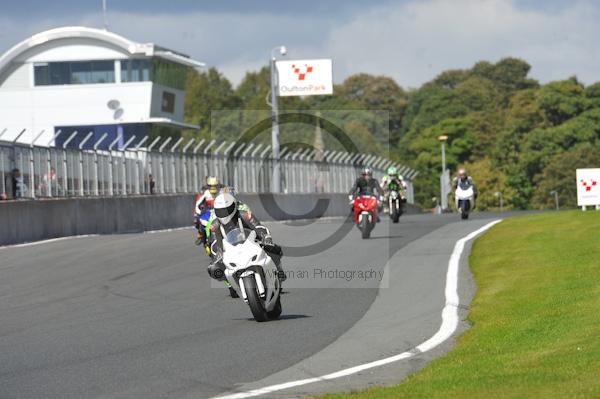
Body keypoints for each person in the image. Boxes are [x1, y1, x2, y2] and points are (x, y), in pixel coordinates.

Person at [207, 192, 286, 282]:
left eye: (226, 210)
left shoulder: (244, 215)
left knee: (273, 248)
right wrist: (217, 253)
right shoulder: (215, 225)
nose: (223, 214)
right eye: (220, 211)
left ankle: (279, 270)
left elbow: (258, 227)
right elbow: (214, 242)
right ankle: (229, 284)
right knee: (213, 269)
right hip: (230, 250)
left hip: (251, 243)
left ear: (233, 207)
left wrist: (265, 237)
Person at [193, 176, 223, 247]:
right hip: (208, 211)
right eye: (211, 186)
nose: (213, 188)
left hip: (220, 210)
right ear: (208, 186)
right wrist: (198, 212)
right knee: (198, 220)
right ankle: (200, 235)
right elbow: (198, 204)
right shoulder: (205, 193)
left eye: (214, 186)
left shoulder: (221, 191)